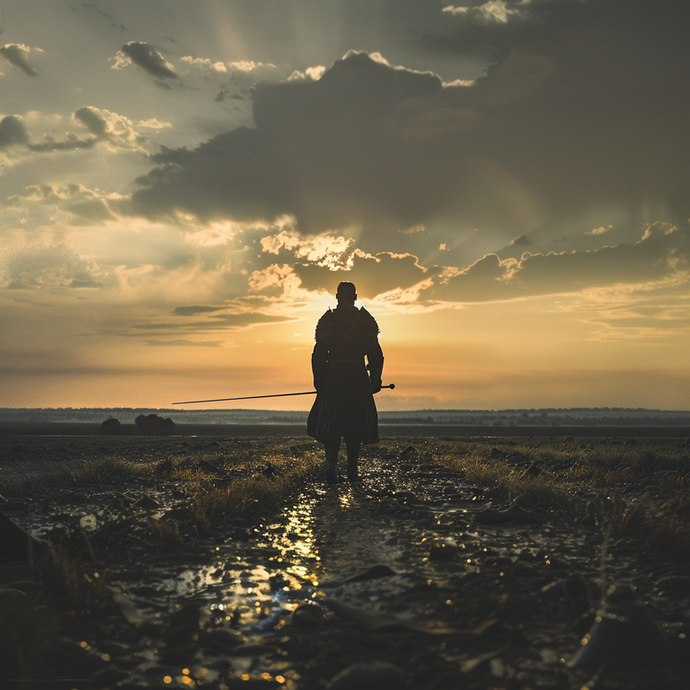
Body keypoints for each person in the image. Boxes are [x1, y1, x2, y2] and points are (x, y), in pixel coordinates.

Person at [307, 281, 384, 484]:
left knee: (331, 423)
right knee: (355, 423)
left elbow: (318, 355)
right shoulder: (365, 321)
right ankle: (352, 469)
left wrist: (320, 381)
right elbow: (375, 355)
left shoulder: (328, 320)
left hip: (333, 378)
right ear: (355, 296)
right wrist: (375, 379)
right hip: (358, 378)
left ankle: (332, 464)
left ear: (337, 296)